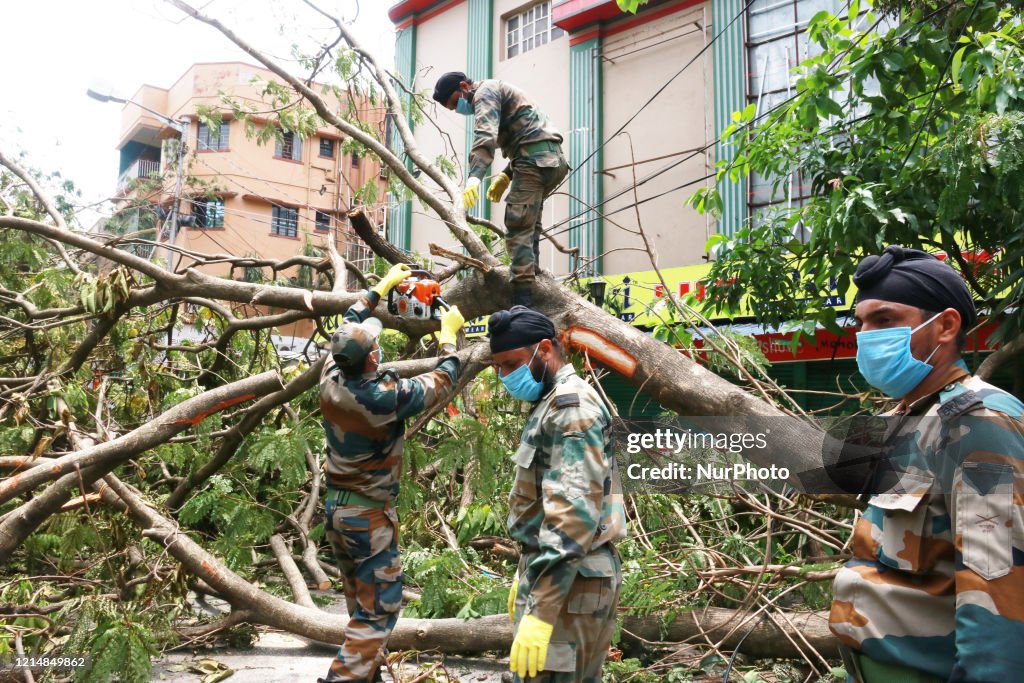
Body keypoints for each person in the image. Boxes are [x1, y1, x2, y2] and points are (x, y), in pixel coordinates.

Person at [827, 246, 1024, 683]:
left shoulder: (978, 423)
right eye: (861, 322)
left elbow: (998, 581)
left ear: (945, 327)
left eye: (884, 320)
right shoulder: (913, 415)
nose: (865, 335)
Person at [317, 263, 465, 683]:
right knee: (380, 609)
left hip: (337, 514)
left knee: (360, 605)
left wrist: (379, 288)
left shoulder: (330, 378)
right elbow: (442, 380)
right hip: (367, 517)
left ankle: (368, 677)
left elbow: (348, 322)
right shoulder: (384, 399)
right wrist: (449, 336)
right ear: (373, 357)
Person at [487, 306, 626, 682]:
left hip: (572, 583)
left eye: (511, 364)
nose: (505, 375)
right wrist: (527, 569)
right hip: (562, 575)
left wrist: (542, 609)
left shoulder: (571, 409)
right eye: (498, 366)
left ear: (545, 349)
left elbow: (573, 514)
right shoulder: (551, 403)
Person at [433, 71, 569, 309]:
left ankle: (523, 304)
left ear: (464, 86)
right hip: (550, 161)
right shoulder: (498, 90)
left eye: (455, 102)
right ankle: (532, 275)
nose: (457, 109)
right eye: (451, 108)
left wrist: (475, 178)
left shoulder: (483, 93)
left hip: (535, 161)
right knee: (529, 224)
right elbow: (527, 132)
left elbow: (485, 135)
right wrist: (507, 175)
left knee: (517, 227)